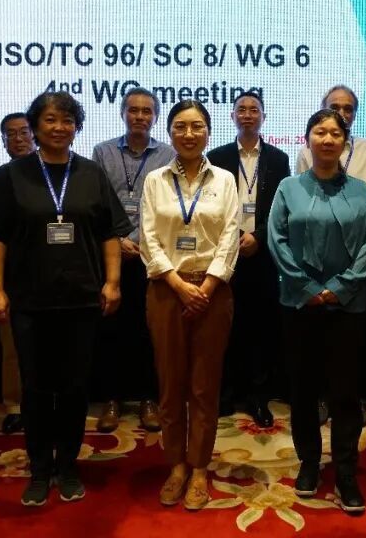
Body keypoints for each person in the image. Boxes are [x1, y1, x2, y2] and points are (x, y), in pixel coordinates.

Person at [0, 91, 131, 506]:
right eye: (50, 120)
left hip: (81, 300)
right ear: (35, 126)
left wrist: (113, 282)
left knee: (76, 387)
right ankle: (40, 467)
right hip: (30, 301)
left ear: (76, 127)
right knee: (37, 388)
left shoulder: (91, 174)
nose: (59, 127)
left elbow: (109, 234)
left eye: (67, 120)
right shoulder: (12, 176)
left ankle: (69, 465)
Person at [268, 108, 366, 514]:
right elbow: (277, 239)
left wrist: (339, 288)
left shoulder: (360, 191)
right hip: (300, 303)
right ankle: (309, 462)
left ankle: (346, 470)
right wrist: (310, 288)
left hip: (348, 306)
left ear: (345, 142)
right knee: (303, 390)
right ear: (308, 139)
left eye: (335, 133)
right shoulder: (288, 188)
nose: (328, 139)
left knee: (345, 393)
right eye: (320, 132)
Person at [140, 99, 239, 510]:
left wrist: (208, 284)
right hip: (167, 290)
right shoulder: (155, 180)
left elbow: (231, 235)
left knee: (204, 386)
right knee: (170, 385)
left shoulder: (225, 179)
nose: (189, 134)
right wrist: (179, 285)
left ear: (209, 132)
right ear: (169, 132)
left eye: (197, 126)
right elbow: (148, 237)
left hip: (213, 292)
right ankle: (176, 465)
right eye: (180, 126)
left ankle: (199, 467)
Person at [91, 87, 174, 433]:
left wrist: (136, 240)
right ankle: (112, 399)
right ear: (122, 113)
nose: (139, 116)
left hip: (151, 256)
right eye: (133, 110)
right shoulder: (103, 152)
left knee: (148, 329)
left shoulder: (168, 154)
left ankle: (147, 399)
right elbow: (97, 203)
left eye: (146, 111)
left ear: (155, 116)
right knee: (111, 330)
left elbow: (167, 205)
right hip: (111, 254)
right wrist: (119, 240)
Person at [208, 91, 291, 427]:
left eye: (253, 109)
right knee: (225, 325)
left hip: (262, 253)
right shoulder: (216, 157)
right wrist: (233, 237)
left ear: (263, 117)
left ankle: (258, 397)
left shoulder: (278, 158)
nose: (247, 114)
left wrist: (258, 235)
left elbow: (280, 206)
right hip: (225, 252)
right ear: (232, 117)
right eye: (240, 109)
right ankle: (226, 393)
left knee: (260, 327)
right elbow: (211, 205)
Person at [0, 111, 34, 435]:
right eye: (11, 134)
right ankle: (14, 406)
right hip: (11, 273)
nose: (18, 139)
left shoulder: (55, 174)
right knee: (12, 345)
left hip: (55, 272)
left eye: (24, 132)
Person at [295, 85, 366, 199]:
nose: (341, 114)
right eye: (334, 108)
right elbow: (301, 197)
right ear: (322, 111)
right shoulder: (306, 151)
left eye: (348, 109)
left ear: (355, 115)